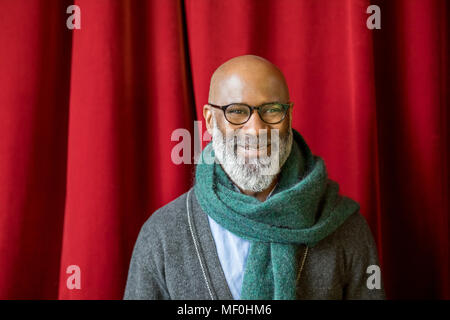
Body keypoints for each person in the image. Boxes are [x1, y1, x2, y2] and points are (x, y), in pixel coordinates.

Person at [124, 55, 385, 300]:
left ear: (289, 115)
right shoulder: (162, 234)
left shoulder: (346, 228)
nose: (256, 129)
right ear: (210, 120)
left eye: (271, 110)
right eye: (236, 112)